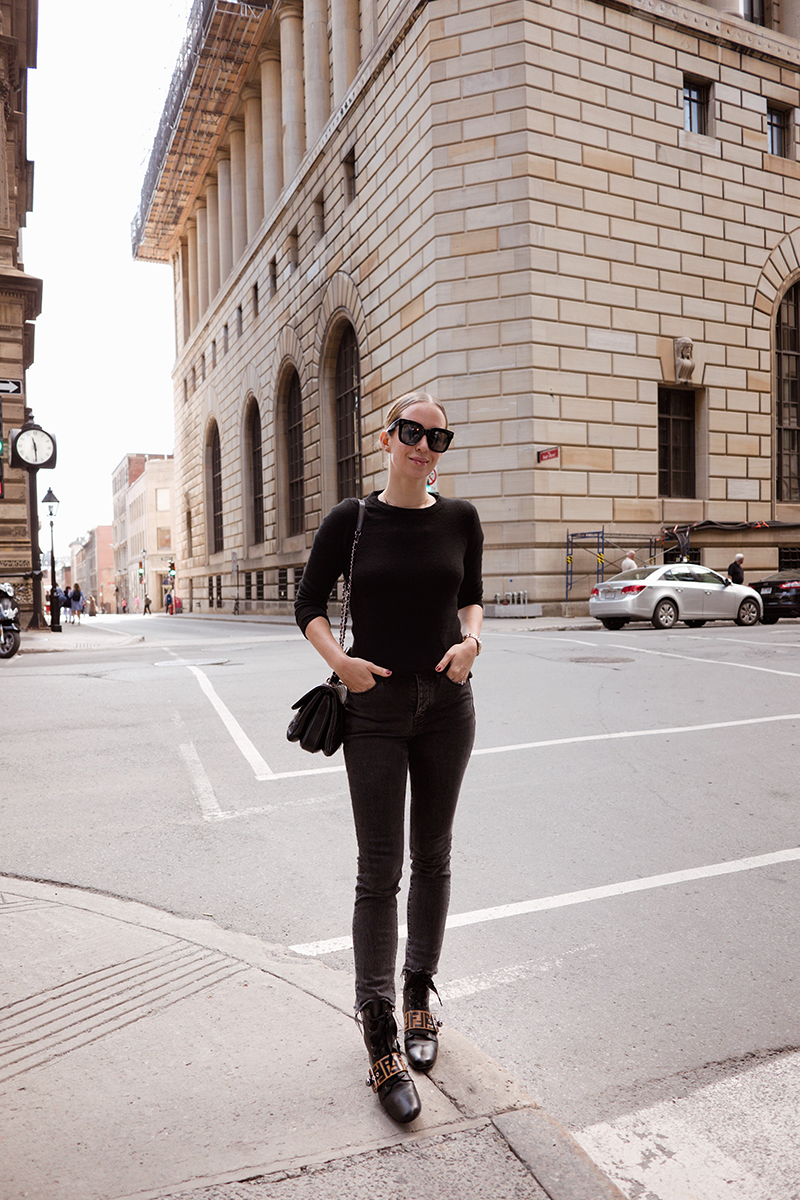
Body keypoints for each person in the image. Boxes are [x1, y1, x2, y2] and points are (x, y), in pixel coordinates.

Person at [295, 391, 484, 1125]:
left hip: (447, 707)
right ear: (387, 437)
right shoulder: (353, 519)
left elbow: (469, 599)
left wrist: (473, 644)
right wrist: (341, 664)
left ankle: (417, 997)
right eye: (412, 432)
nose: (424, 446)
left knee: (433, 857)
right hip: (372, 709)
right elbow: (308, 604)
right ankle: (377, 1028)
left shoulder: (461, 518)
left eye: (439, 436)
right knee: (381, 872)